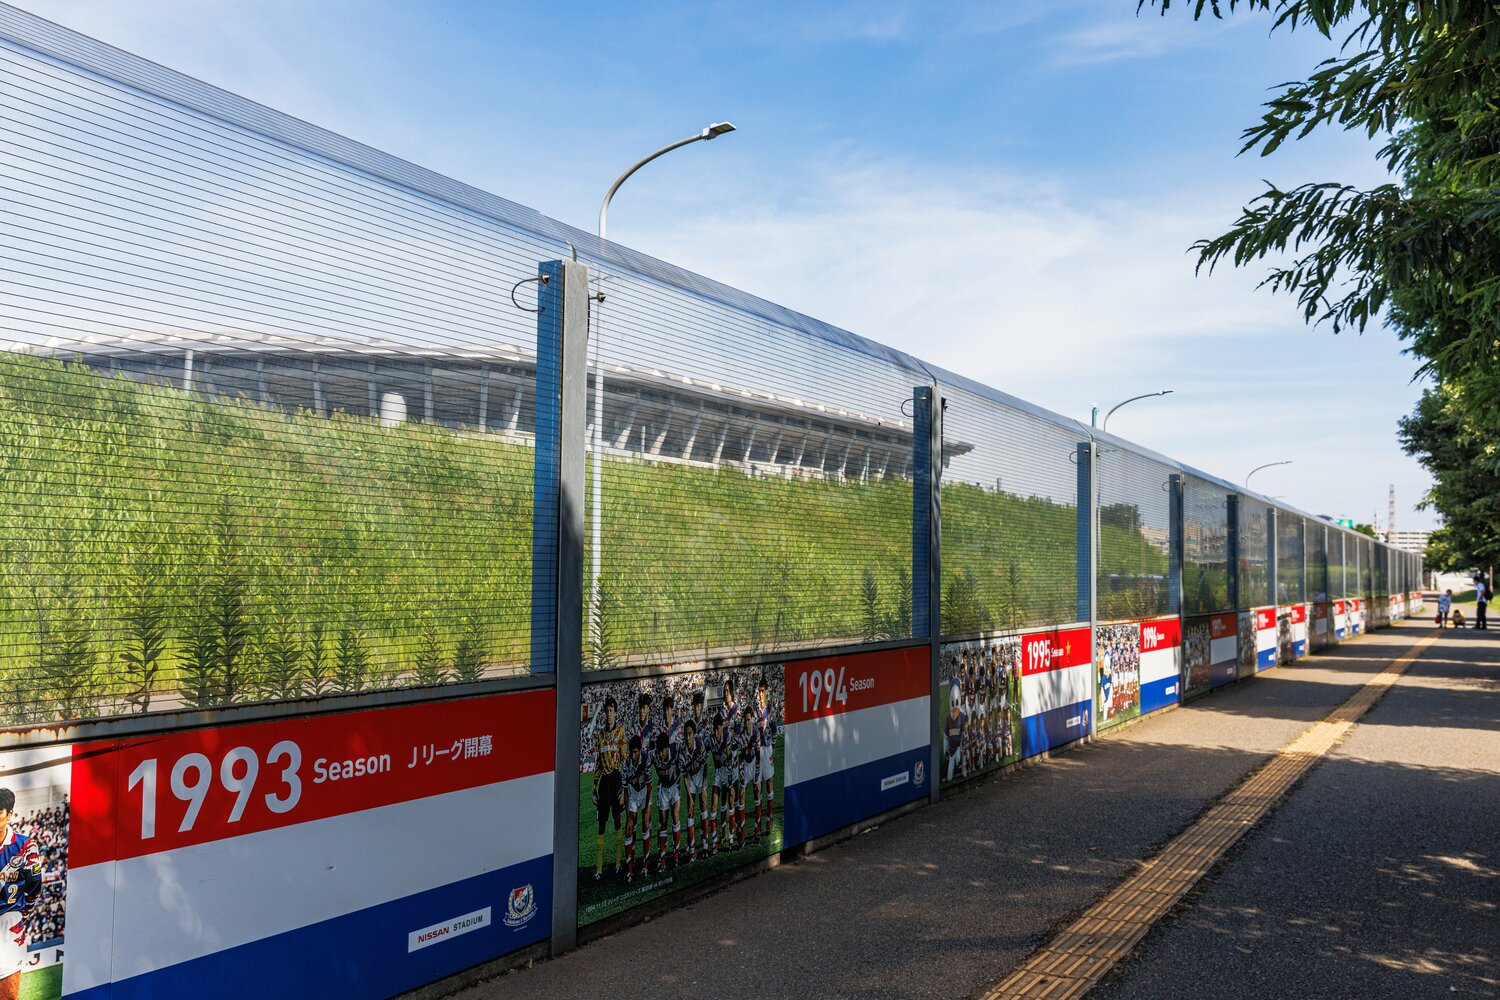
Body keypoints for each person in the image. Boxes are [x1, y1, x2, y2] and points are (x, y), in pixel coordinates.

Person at [0, 788, 43, 1000]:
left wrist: (20, 916)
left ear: (9, 814)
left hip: (8, 925)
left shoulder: (25, 846)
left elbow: (35, 886)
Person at [590, 696, 627, 881]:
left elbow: (625, 758)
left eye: (612, 710)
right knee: (602, 824)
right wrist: (594, 785)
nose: (609, 713)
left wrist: (624, 784)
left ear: (616, 712)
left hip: (616, 779)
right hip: (604, 781)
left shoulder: (620, 732)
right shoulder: (600, 736)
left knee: (618, 819)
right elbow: (597, 762)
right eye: (607, 710)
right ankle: (599, 868)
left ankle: (619, 864)